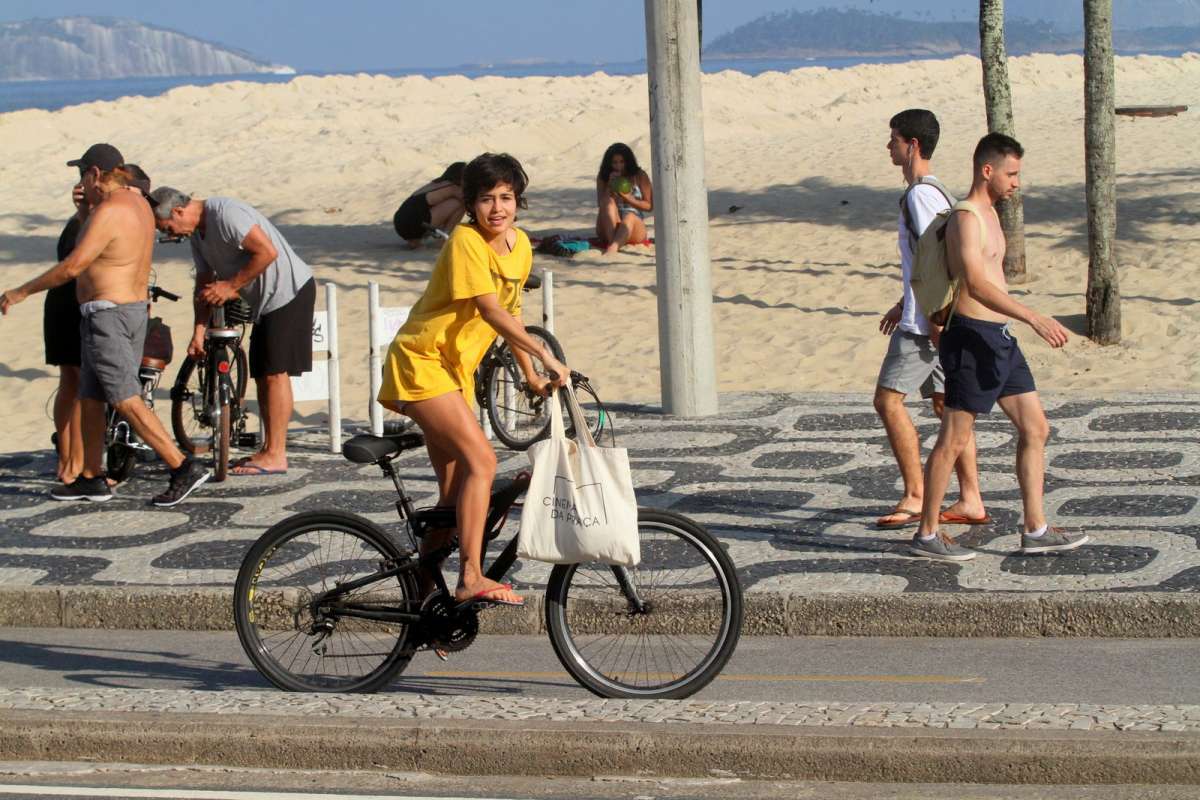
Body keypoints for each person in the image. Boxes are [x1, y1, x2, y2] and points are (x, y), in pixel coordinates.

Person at [378, 153, 569, 607]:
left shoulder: (519, 245)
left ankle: (424, 604)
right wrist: (546, 354)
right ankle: (469, 576)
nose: (497, 208)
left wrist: (530, 376)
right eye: (486, 199)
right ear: (470, 205)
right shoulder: (465, 241)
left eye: (506, 197)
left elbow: (514, 309)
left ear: (518, 202)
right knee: (481, 463)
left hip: (453, 373)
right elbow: (490, 310)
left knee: (451, 497)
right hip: (421, 361)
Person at [909, 133, 1088, 561]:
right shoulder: (967, 218)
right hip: (971, 337)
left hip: (1000, 340)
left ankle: (1035, 528)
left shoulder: (990, 213)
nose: (1016, 182)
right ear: (987, 170)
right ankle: (927, 534)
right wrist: (1033, 316)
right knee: (953, 438)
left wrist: (1016, 322)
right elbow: (975, 283)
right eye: (1011, 173)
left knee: (1035, 427)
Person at [1, 143, 210, 506]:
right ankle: (90, 476)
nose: (81, 181)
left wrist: (20, 292)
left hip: (108, 314)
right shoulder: (138, 205)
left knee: (123, 396)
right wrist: (84, 209)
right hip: (126, 310)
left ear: (96, 173)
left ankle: (182, 466)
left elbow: (73, 265)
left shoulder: (110, 210)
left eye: (82, 173)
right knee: (92, 395)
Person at [148, 186, 316, 476]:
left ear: (178, 211)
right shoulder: (197, 235)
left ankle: (276, 454)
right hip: (265, 301)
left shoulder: (225, 213)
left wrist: (231, 285)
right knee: (263, 373)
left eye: (168, 228)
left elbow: (267, 252)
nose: (170, 235)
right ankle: (269, 449)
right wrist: (198, 331)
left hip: (289, 292)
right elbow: (203, 283)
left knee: (275, 373)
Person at [874, 110, 987, 530]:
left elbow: (935, 260)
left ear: (913, 146)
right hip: (937, 315)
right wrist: (900, 300)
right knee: (948, 407)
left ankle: (915, 494)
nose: (890, 146)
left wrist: (933, 320)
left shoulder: (920, 195)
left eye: (894, 139)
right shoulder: (935, 192)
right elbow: (930, 264)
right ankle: (971, 498)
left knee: (887, 401)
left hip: (926, 325)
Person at [44, 161, 154, 488]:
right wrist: (82, 212)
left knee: (95, 390)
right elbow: (72, 262)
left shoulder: (121, 209)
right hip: (69, 306)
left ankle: (90, 466)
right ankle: (71, 461)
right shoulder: (92, 216)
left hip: (107, 307)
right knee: (74, 381)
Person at [595, 143, 653, 256]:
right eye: (615, 162)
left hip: (633, 227)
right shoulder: (603, 177)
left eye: (622, 162)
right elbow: (601, 204)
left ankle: (613, 247)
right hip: (608, 226)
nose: (619, 166)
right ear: (609, 163)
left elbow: (649, 206)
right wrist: (609, 186)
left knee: (629, 217)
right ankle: (613, 242)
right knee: (608, 202)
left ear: (628, 161)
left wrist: (628, 198)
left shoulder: (639, 175)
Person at [393, 162, 467, 247]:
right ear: (460, 177)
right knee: (461, 204)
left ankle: (414, 240)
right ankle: (444, 239)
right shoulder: (452, 187)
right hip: (414, 224)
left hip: (400, 223)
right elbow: (469, 202)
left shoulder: (436, 184)